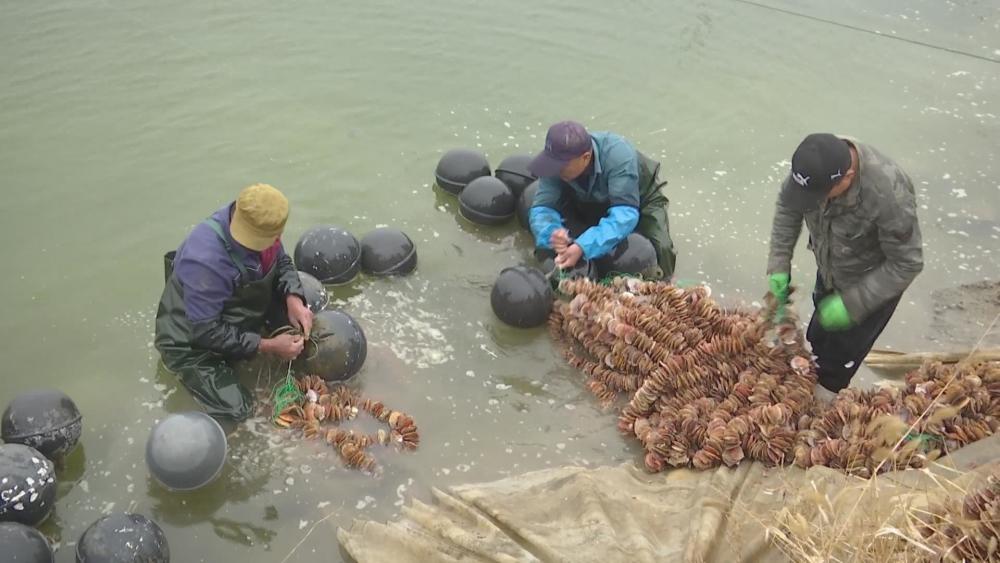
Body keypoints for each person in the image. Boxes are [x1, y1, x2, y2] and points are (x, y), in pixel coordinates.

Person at [766, 133, 923, 402]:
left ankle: (822, 408)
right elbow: (788, 206)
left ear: (847, 177)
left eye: (818, 196)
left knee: (837, 363)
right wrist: (779, 262)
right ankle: (804, 387)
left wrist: (853, 304)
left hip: (872, 286)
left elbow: (907, 263)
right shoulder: (813, 168)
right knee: (816, 338)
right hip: (830, 267)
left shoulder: (888, 194)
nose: (814, 201)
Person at [155, 184, 314, 421]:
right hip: (193, 343)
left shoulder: (265, 227)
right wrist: (269, 345)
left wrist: (294, 298)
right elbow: (206, 332)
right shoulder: (206, 261)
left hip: (239, 314)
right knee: (239, 410)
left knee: (309, 339)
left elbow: (282, 262)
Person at [527, 120, 677, 280]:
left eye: (561, 166)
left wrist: (583, 246)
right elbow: (542, 208)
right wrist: (552, 233)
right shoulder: (555, 165)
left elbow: (625, 215)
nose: (554, 170)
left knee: (663, 249)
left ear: (585, 157)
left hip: (638, 199)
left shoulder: (619, 155)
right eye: (552, 163)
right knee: (545, 250)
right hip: (584, 199)